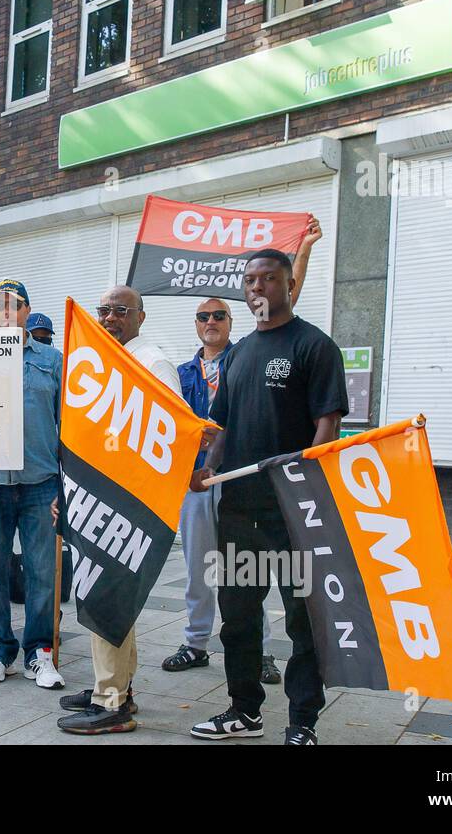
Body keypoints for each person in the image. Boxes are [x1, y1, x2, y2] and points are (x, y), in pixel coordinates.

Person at [188, 248, 347, 745]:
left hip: (295, 510)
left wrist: (305, 478)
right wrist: (208, 467)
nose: (257, 287)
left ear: (290, 284)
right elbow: (223, 424)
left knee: (303, 621)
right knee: (238, 618)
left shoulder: (315, 346)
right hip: (239, 509)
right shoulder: (237, 355)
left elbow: (327, 425)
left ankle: (302, 722)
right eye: (250, 280)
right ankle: (244, 711)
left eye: (269, 279)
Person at [165, 216, 321, 680]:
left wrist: (303, 251)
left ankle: (261, 652)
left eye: (219, 315)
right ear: (196, 325)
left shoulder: (248, 352)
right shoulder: (180, 372)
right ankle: (195, 642)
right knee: (200, 567)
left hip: (246, 480)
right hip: (199, 479)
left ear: (232, 321)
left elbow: (283, 300)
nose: (211, 321)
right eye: (203, 317)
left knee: (251, 572)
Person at [54, 285, 184, 734]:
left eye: (120, 310)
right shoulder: (102, 360)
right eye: (104, 310)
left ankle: (110, 702)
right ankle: (114, 689)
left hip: (126, 502)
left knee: (107, 595)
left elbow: (172, 432)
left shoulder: (153, 363)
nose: (110, 317)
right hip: (96, 493)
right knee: (105, 593)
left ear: (140, 317)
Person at [0, 279, 64, 689]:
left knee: (42, 572)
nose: (7, 311)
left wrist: (66, 484)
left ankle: (39, 654)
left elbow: (67, 425)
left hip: (40, 481)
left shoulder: (52, 359)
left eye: (15, 304)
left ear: (27, 311)